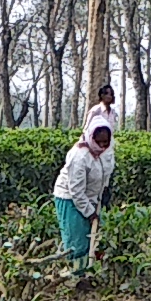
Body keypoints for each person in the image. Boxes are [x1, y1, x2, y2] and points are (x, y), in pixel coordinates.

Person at [53, 99, 118, 264]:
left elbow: (106, 172)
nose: (102, 146)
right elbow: (76, 191)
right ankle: (76, 278)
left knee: (95, 239)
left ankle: (88, 272)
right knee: (78, 242)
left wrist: (103, 193)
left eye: (106, 142)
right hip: (70, 197)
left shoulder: (107, 151)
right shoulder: (79, 156)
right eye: (99, 142)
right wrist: (90, 213)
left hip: (91, 197)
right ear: (90, 137)